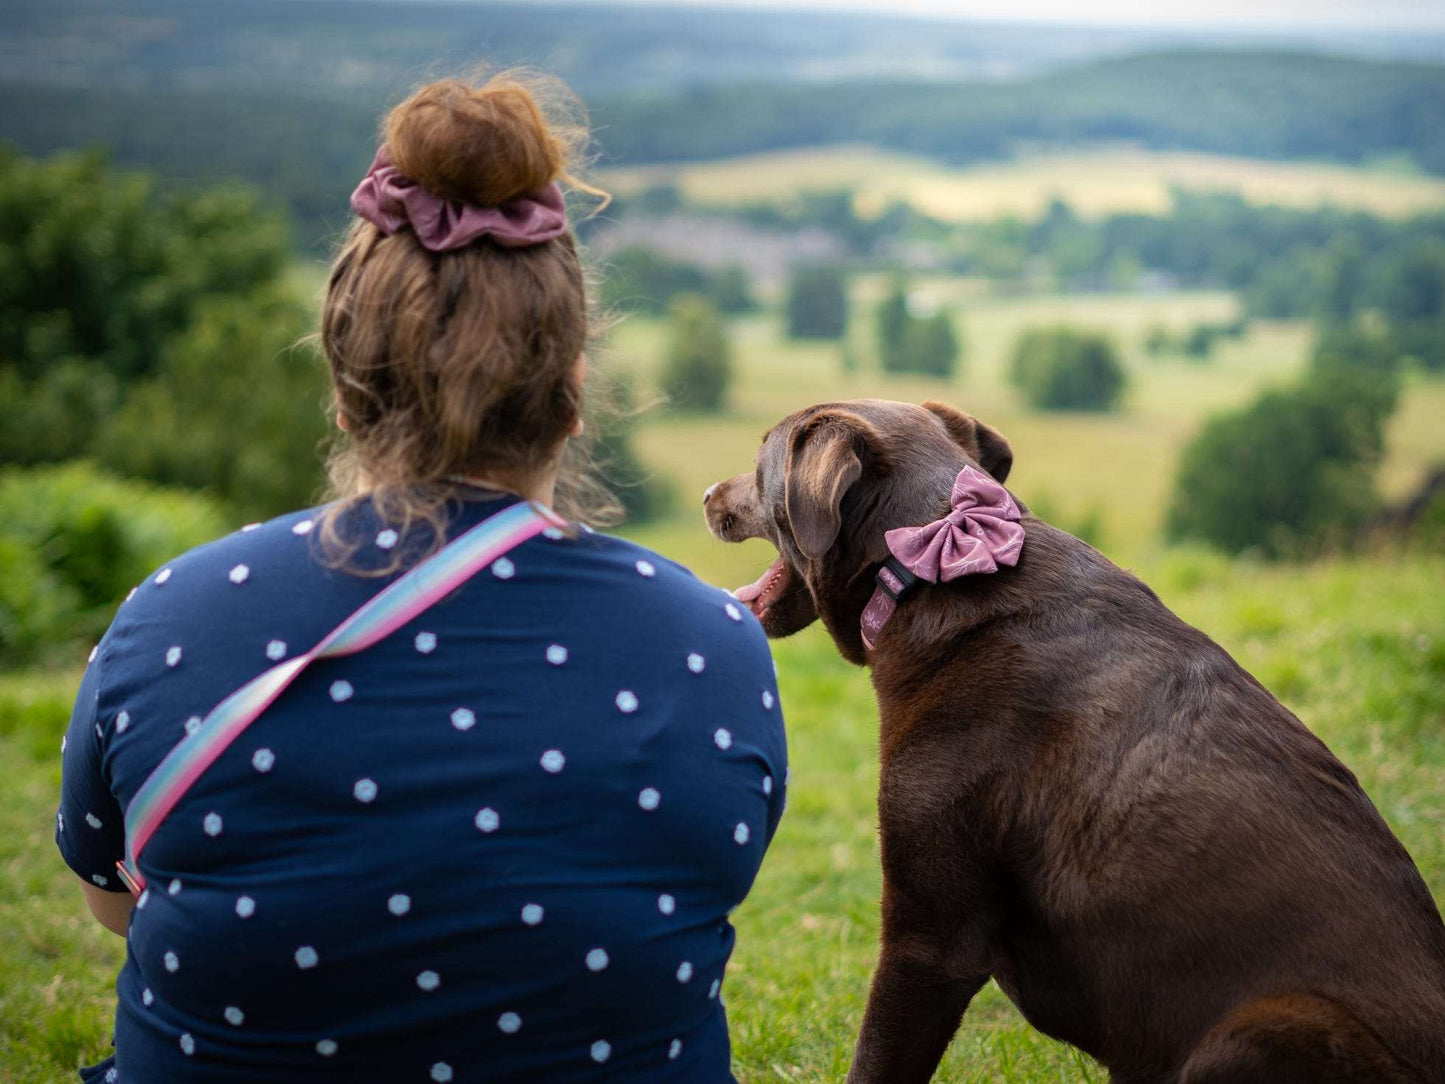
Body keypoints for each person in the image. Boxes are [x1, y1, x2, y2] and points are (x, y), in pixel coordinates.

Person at [56, 71, 786, 1083]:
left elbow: (112, 901)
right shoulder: (714, 642)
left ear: (345, 390)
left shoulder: (170, 615)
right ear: (573, 393)